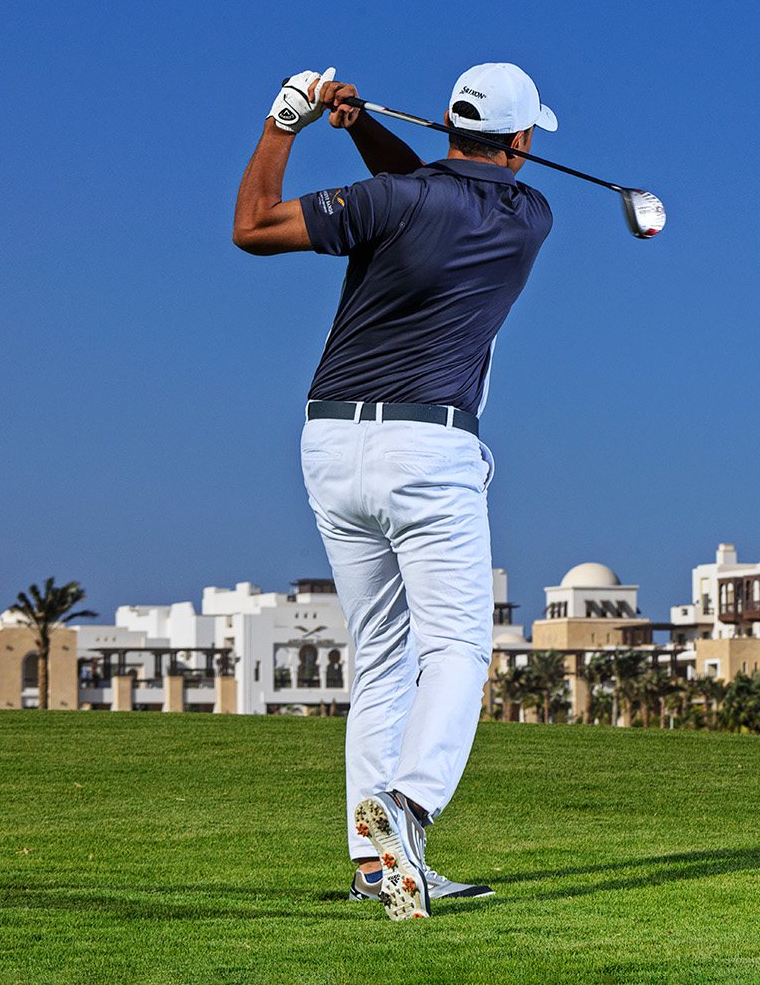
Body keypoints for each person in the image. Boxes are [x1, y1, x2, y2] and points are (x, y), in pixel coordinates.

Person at [232, 62, 555, 919]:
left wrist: (286, 124)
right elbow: (427, 188)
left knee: (381, 657)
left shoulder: (395, 200)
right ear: (521, 141)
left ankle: (377, 868)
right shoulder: (531, 216)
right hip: (429, 448)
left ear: (450, 127)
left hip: (331, 441)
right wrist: (362, 129)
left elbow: (254, 226)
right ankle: (407, 809)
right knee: (456, 650)